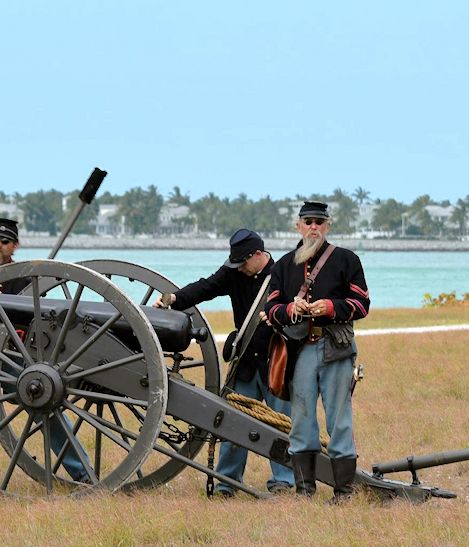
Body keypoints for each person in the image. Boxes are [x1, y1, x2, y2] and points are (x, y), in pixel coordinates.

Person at [0, 218, 90, 483]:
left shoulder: (22, 278)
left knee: (47, 412)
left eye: (5, 241)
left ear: (15, 246)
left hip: (14, 358)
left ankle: (82, 473)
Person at [153, 228, 295, 497]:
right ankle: (227, 483)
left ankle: (284, 482)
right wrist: (173, 299)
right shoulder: (233, 272)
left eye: (243, 262)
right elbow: (205, 287)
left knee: (282, 424)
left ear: (257, 255)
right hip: (245, 363)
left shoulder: (282, 276)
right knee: (233, 424)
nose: (239, 268)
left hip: (275, 362)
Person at [263, 201, 370, 502]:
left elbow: (362, 305)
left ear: (327, 226)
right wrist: (289, 308)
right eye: (308, 221)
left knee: (339, 420)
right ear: (298, 226)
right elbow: (270, 310)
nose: (314, 227)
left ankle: (343, 492)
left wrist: (333, 307)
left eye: (319, 222)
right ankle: (305, 490)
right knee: (302, 420)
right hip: (301, 351)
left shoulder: (347, 260)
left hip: (335, 348)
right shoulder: (284, 265)